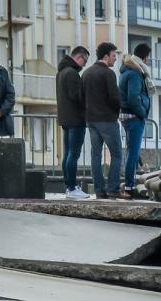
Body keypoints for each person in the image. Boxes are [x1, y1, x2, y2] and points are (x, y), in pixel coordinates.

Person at [85, 42, 128, 199]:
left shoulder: (87, 73)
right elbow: (115, 98)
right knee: (117, 154)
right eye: (113, 55)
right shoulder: (108, 74)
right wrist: (116, 113)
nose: (115, 59)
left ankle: (99, 191)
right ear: (106, 56)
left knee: (95, 155)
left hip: (91, 120)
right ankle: (113, 188)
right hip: (107, 120)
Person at [119, 43, 154, 197]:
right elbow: (134, 97)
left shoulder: (127, 70)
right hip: (134, 116)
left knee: (132, 151)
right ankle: (129, 186)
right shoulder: (135, 72)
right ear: (145, 57)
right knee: (133, 152)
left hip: (126, 115)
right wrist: (142, 113)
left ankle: (128, 183)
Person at [56, 46, 89, 199]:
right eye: (85, 60)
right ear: (78, 57)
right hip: (76, 119)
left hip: (65, 118)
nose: (85, 65)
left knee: (68, 153)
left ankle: (68, 187)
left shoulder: (61, 72)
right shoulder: (72, 73)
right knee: (73, 154)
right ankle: (72, 187)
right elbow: (77, 97)